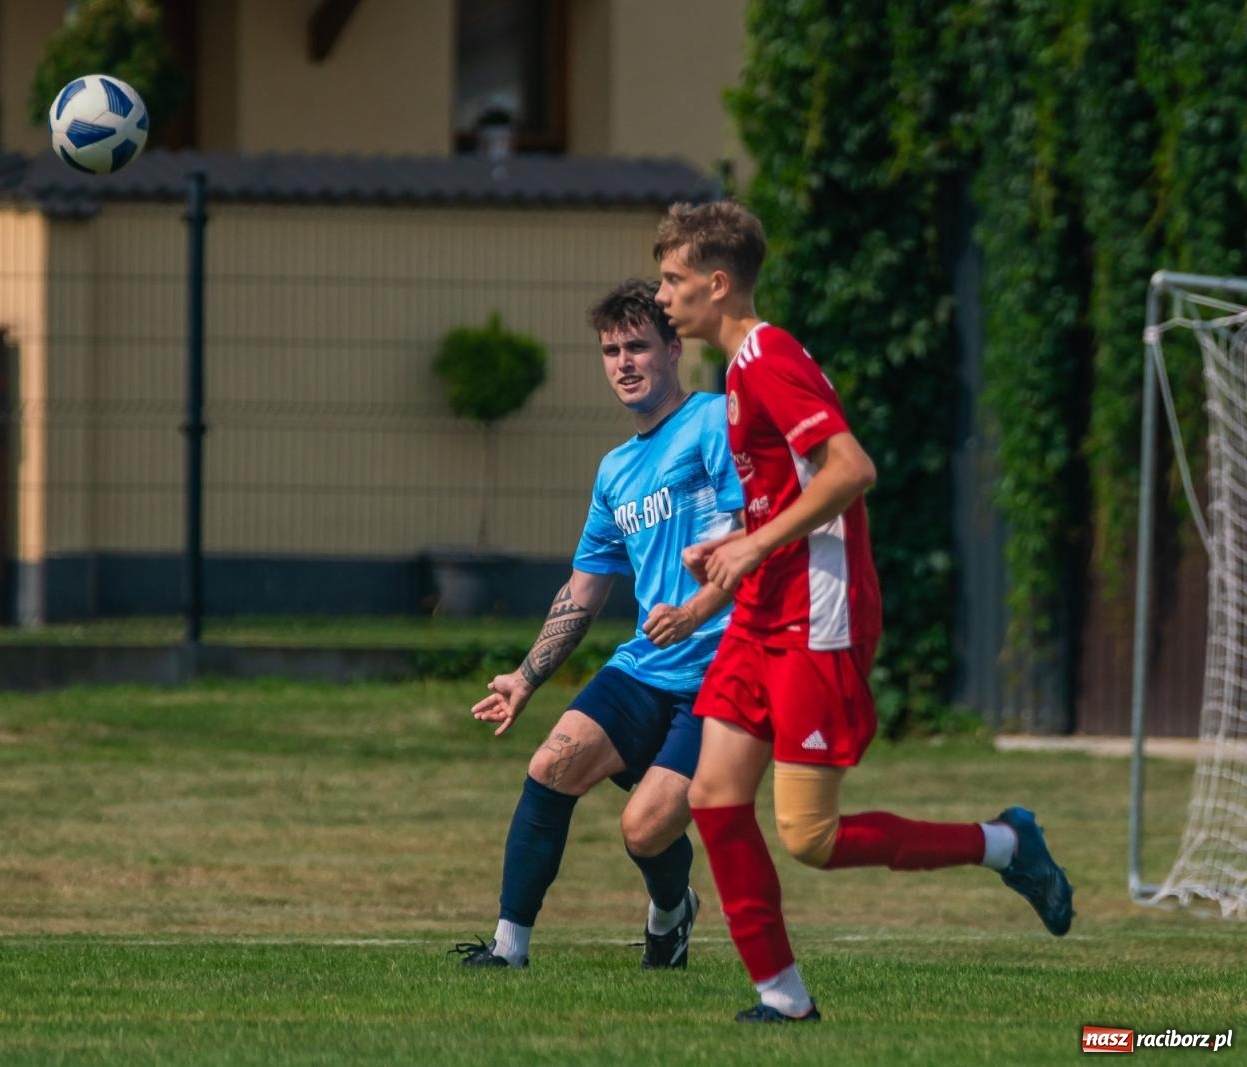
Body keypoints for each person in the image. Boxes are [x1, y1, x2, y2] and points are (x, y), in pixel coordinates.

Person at [652, 199, 1074, 1022]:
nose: (661, 295)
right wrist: (727, 556)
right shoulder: (738, 370)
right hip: (763, 611)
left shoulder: (767, 358)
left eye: (672, 280)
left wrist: (749, 545)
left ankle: (1006, 843)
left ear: (717, 281)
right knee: (711, 797)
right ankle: (781, 996)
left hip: (818, 614)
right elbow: (792, 494)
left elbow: (851, 468)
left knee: (809, 836)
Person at [455, 278, 745, 970]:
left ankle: (672, 914)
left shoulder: (711, 422)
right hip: (645, 667)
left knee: (643, 830)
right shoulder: (615, 471)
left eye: (638, 345)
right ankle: (507, 949)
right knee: (550, 765)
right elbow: (584, 589)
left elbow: (748, 527)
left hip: (721, 674)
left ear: (674, 349)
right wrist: (526, 677)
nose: (623, 361)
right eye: (611, 349)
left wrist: (708, 602)